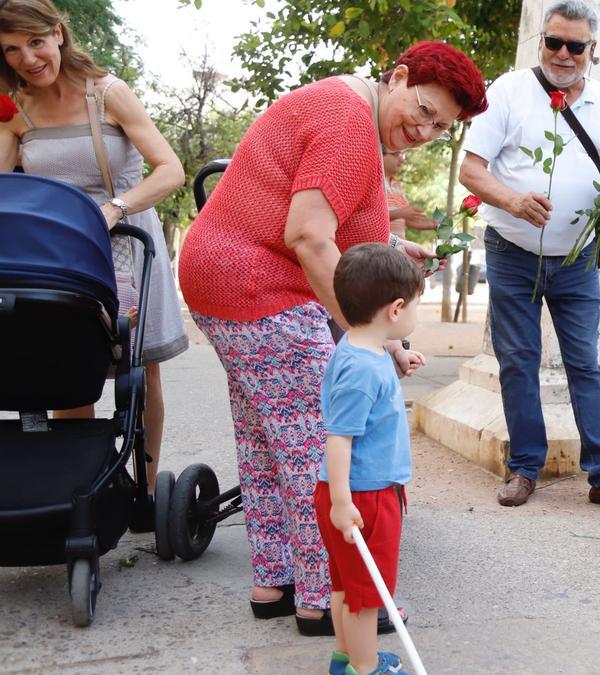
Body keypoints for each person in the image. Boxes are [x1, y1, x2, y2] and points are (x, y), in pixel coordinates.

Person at [177, 41, 488, 635]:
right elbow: (312, 239)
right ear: (397, 76)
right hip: (259, 283)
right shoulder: (348, 119)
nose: (424, 131)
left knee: (270, 442)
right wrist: (366, 334)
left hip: (225, 277)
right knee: (320, 448)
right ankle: (326, 599)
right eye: (423, 111)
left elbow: (343, 228)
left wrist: (395, 252)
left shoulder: (351, 113)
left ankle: (275, 582)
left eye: (442, 127)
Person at [0, 0, 188, 507]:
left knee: (141, 369)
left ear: (58, 34)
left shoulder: (108, 94)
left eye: (36, 42)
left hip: (123, 236)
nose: (28, 58)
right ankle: (76, 488)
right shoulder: (14, 108)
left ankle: (146, 494)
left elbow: (169, 169)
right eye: (12, 50)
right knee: (67, 363)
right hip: (58, 252)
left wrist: (114, 208)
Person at [459, 0, 600, 510]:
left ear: (592, 49)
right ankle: (524, 468)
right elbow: (471, 171)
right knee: (518, 361)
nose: (563, 54)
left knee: (585, 364)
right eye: (553, 42)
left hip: (577, 258)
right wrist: (513, 200)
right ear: (541, 41)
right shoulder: (508, 92)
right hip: (512, 250)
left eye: (575, 45)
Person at [315, 243, 421, 675]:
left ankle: (346, 659)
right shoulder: (363, 370)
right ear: (395, 310)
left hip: (352, 494)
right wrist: (343, 502)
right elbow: (339, 438)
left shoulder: (360, 349)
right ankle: (366, 667)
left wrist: (399, 356)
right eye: (415, 305)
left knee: (345, 586)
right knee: (365, 597)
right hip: (364, 498)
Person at [383, 149, 436, 239]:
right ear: (380, 153)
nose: (402, 160)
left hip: (394, 249)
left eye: (402, 155)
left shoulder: (397, 184)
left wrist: (431, 224)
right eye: (396, 154)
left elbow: (404, 219)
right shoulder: (372, 180)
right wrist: (400, 213)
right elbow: (368, 217)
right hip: (376, 249)